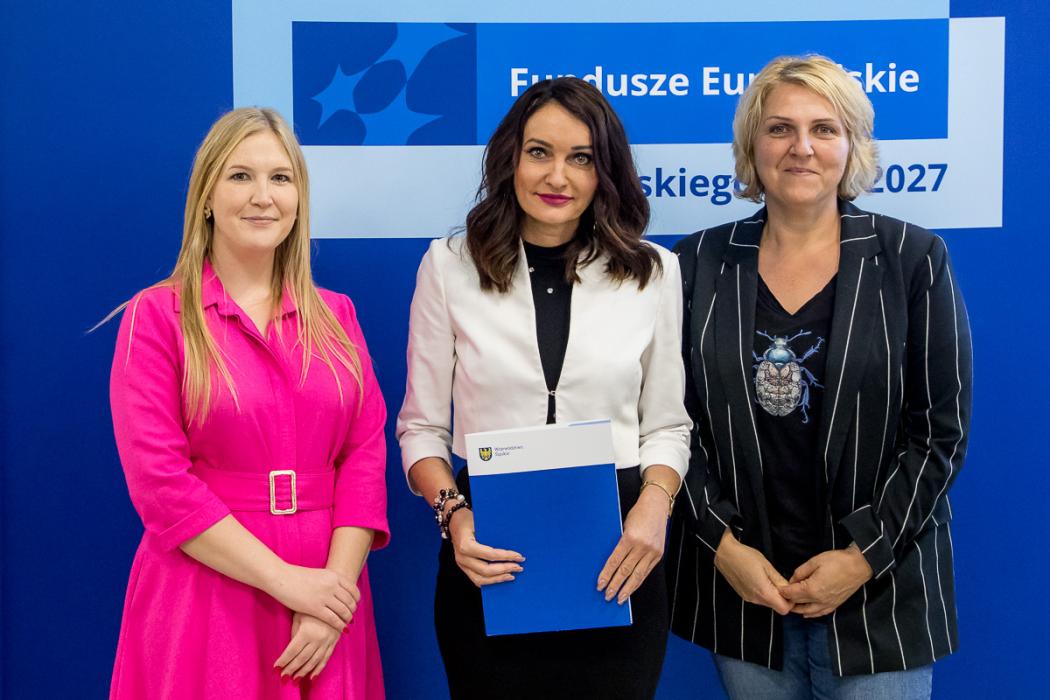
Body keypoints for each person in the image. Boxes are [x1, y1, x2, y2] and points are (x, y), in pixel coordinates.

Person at [665, 55, 972, 699]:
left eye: (824, 129)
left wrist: (863, 557)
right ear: (752, 146)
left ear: (851, 144)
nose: (801, 147)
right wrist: (723, 546)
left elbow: (939, 433)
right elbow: (669, 423)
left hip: (880, 595)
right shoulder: (696, 263)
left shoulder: (913, 258)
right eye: (779, 128)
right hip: (747, 595)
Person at [396, 77, 691, 699]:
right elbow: (421, 429)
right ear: (511, 159)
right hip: (488, 551)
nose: (558, 176)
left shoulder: (654, 272)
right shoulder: (449, 266)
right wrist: (454, 516)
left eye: (581, 157)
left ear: (604, 171)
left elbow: (668, 425)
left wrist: (653, 509)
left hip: (620, 553)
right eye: (539, 152)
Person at [108, 108, 388, 699]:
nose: (263, 196)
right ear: (207, 196)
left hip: (326, 602)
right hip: (207, 593)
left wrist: (330, 598)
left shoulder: (337, 316)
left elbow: (364, 460)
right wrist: (287, 583)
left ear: (299, 198)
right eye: (241, 176)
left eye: (280, 178)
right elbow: (160, 485)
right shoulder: (156, 318)